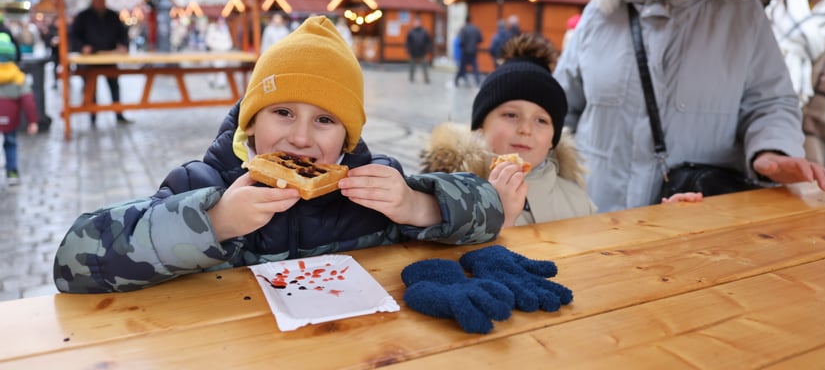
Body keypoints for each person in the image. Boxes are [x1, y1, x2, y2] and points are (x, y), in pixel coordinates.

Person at [53, 15, 504, 293]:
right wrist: (214, 223)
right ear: (250, 121)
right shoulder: (202, 185)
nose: (302, 138)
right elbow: (75, 263)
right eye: (283, 113)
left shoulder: (371, 190)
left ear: (348, 137)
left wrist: (417, 204)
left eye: (325, 120)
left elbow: (489, 211)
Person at [553, 0, 825, 213]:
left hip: (692, 213)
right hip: (597, 208)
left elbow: (770, 101)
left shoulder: (740, 13)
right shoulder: (600, 13)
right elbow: (561, 103)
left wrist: (771, 150)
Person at [421, 33, 596, 227]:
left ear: (552, 140)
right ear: (480, 125)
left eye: (541, 120)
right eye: (511, 115)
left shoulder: (578, 203)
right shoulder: (446, 201)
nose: (525, 129)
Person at [69, 0, 131, 125]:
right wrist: (82, 47)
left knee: (114, 85)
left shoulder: (112, 15)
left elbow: (123, 34)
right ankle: (92, 115)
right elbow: (73, 36)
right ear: (92, 0)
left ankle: (118, 113)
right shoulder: (83, 16)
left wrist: (123, 45)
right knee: (91, 88)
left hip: (109, 57)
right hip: (90, 59)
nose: (100, 2)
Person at [0, 33, 39, 185]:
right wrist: (33, 121)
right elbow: (28, 101)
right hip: (10, 118)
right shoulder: (18, 77)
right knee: (11, 143)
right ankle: (12, 172)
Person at [204, 15, 234, 88]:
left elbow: (229, 43)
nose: (221, 23)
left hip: (223, 53)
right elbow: (209, 41)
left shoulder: (225, 30)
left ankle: (221, 83)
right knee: (213, 68)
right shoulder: (212, 29)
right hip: (214, 52)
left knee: (222, 69)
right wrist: (218, 46)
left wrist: (223, 47)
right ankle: (212, 82)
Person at [454, 14, 483, 87]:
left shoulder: (463, 29)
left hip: (465, 51)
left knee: (462, 67)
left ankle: (456, 80)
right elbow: (480, 39)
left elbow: (461, 41)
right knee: (475, 67)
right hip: (473, 51)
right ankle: (477, 80)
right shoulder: (475, 28)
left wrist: (463, 47)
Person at [405, 16, 432, 83]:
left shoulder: (424, 31)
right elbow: (408, 41)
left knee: (424, 66)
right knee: (412, 66)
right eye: (415, 22)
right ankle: (411, 78)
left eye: (418, 22)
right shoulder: (411, 32)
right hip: (413, 51)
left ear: (420, 23)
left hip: (422, 51)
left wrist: (428, 49)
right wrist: (408, 49)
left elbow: (428, 41)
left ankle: (426, 79)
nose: (416, 24)